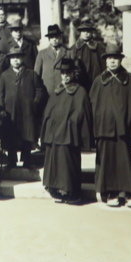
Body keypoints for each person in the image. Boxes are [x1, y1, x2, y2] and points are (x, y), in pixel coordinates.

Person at [89, 42, 131, 208]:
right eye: (109, 58)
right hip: (104, 130)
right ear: (105, 61)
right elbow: (93, 107)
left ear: (120, 60)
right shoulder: (98, 82)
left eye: (115, 58)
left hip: (124, 130)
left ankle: (130, 193)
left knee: (126, 161)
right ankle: (112, 193)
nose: (112, 61)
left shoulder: (130, 80)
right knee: (107, 162)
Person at [39, 57, 94, 204]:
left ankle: (71, 192)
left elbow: (81, 112)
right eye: (63, 73)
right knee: (55, 162)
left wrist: (69, 125)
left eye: (68, 73)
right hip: (55, 133)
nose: (65, 76)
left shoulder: (80, 91)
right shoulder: (57, 91)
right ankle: (57, 189)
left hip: (69, 133)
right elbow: (48, 111)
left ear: (73, 74)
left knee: (67, 163)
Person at [0, 46, 47, 169]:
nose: (15, 60)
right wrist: (1, 108)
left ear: (22, 58)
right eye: (13, 58)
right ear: (9, 60)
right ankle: (11, 161)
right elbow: (0, 94)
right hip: (10, 111)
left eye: (18, 57)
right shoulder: (5, 75)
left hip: (27, 111)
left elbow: (40, 90)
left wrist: (34, 103)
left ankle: (27, 161)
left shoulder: (31, 74)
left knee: (27, 136)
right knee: (11, 136)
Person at [35, 23, 78, 95]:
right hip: (47, 92)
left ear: (60, 37)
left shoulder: (68, 53)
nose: (54, 39)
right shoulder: (42, 54)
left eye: (56, 36)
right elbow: (36, 75)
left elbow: (76, 72)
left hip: (65, 91)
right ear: (49, 39)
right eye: (52, 37)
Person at [70, 21, 104, 89]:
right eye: (83, 31)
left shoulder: (99, 47)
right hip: (80, 82)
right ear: (80, 33)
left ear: (91, 32)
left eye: (88, 31)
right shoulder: (74, 48)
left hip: (96, 79)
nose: (86, 33)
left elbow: (103, 64)